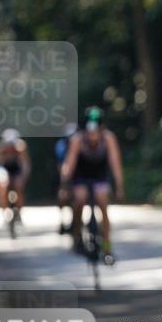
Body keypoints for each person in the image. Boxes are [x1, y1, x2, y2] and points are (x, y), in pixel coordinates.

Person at [60, 107, 125, 264]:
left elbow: (115, 164)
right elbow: (69, 164)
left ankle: (107, 247)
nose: (92, 136)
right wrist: (64, 186)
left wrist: (119, 186)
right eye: (90, 132)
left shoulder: (108, 138)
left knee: (102, 203)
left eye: (95, 131)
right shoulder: (77, 140)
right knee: (80, 199)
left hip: (100, 176)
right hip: (81, 177)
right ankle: (77, 237)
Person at [0, 129, 31, 224]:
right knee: (3, 186)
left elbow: (25, 165)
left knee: (19, 187)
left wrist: (23, 178)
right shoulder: (0, 148)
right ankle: (5, 213)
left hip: (17, 170)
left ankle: (19, 213)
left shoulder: (21, 147)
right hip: (4, 169)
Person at [53, 123, 78, 234]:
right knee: (62, 196)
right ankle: (62, 221)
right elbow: (61, 165)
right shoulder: (61, 145)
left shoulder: (81, 143)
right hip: (66, 174)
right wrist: (64, 182)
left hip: (81, 174)